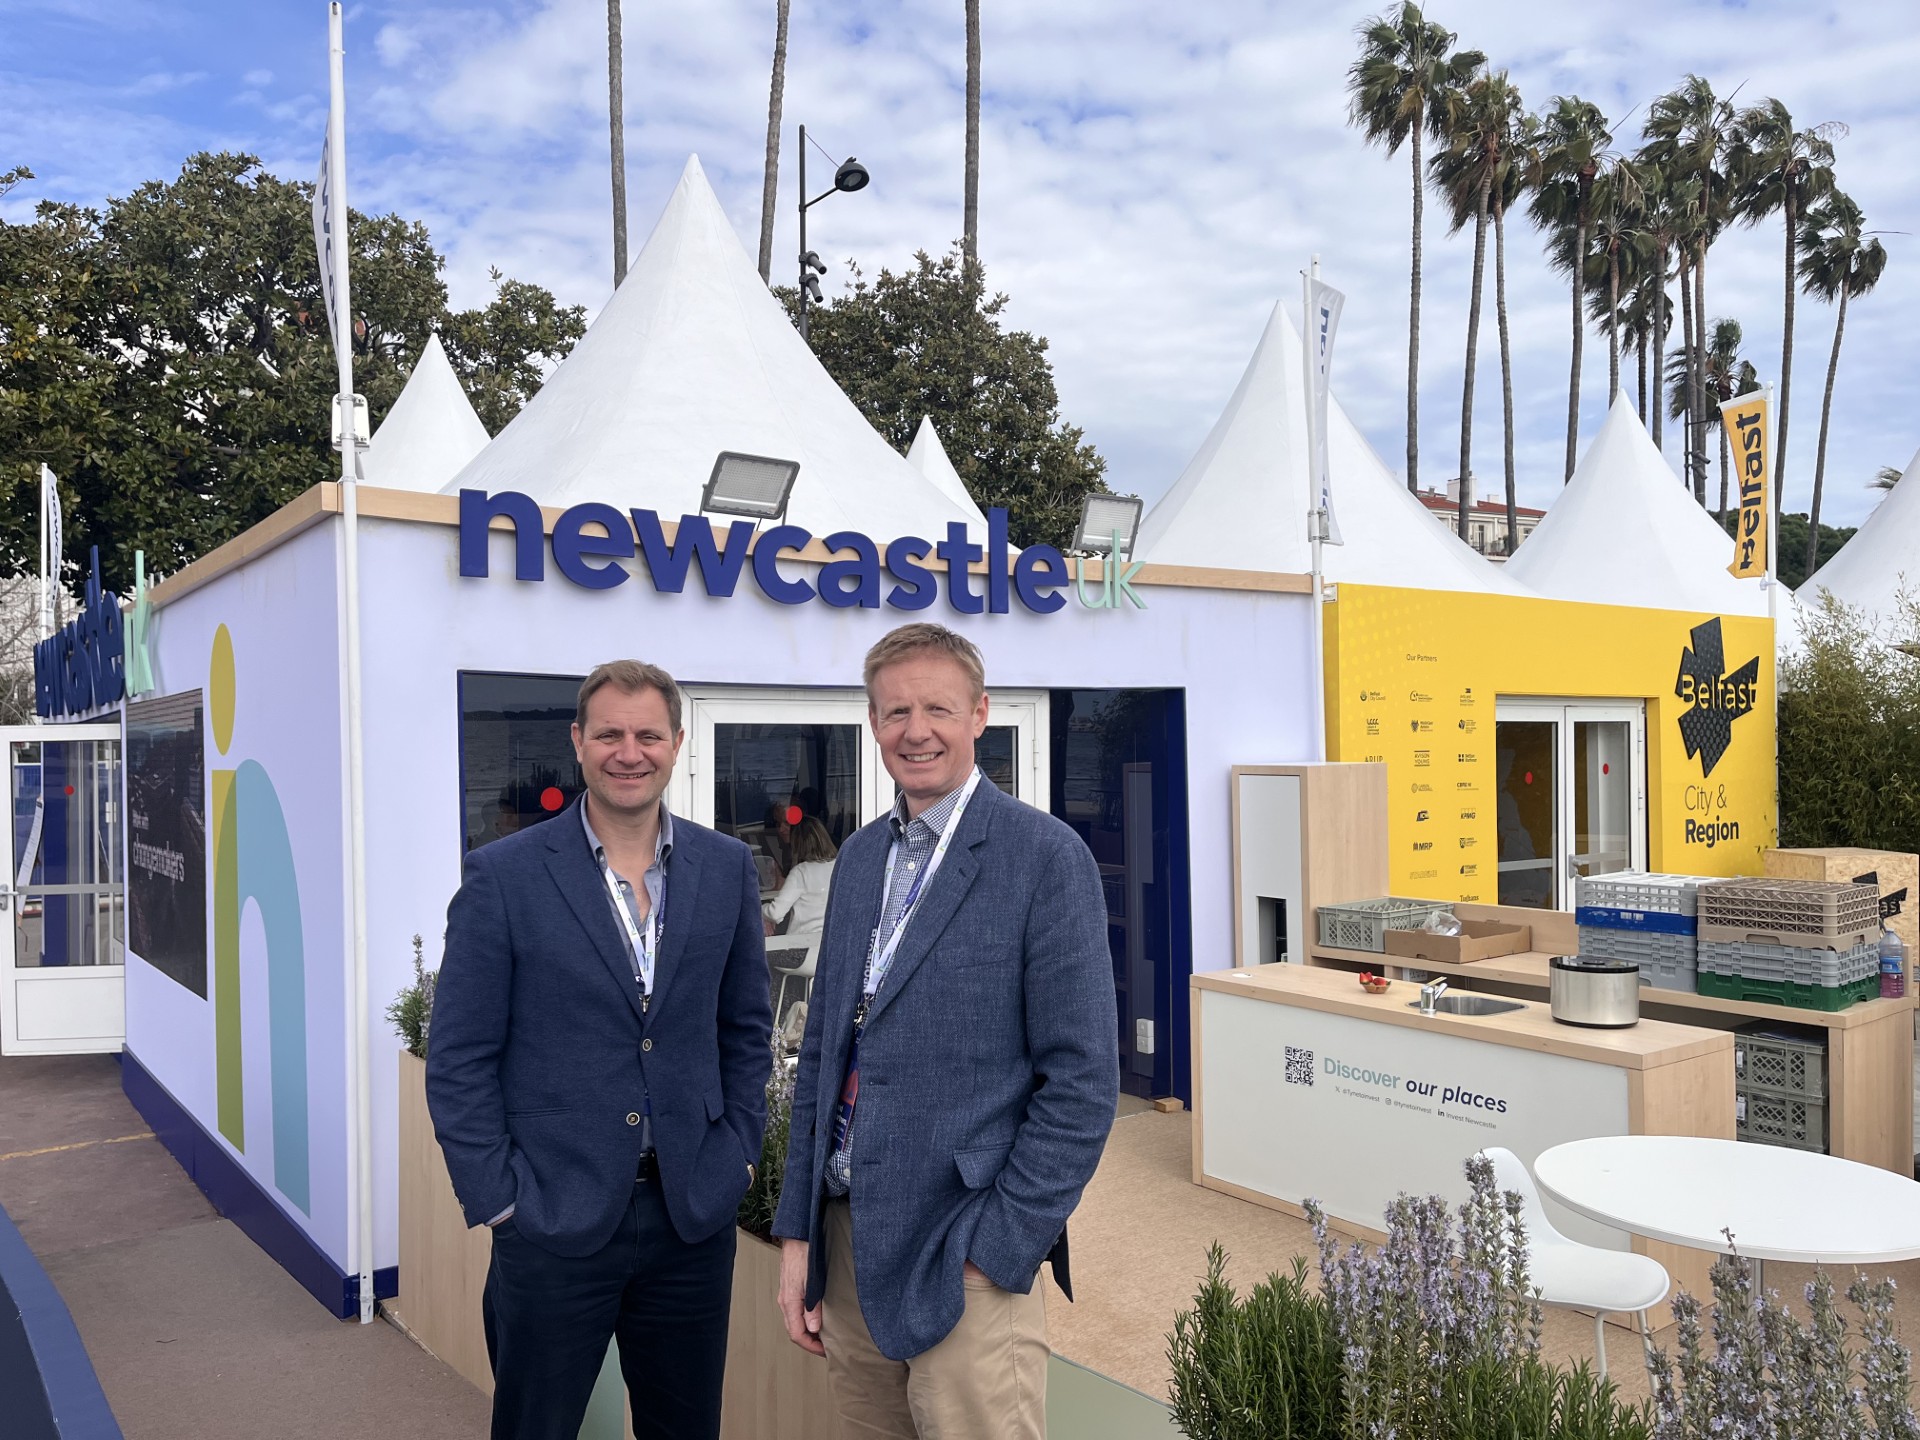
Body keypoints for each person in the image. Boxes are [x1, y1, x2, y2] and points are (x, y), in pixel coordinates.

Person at [772, 623, 1119, 1439]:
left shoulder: (1045, 858)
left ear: (980, 716)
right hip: (849, 1243)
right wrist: (799, 1239)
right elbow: (823, 1057)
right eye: (895, 711)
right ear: (872, 723)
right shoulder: (859, 861)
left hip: (962, 1248)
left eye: (937, 708)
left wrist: (996, 1250)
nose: (915, 730)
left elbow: (1081, 1085)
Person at [427, 660, 773, 1440]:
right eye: (610, 733)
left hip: (691, 1215)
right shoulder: (503, 877)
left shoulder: (725, 870)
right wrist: (502, 1201)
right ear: (577, 742)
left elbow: (745, 1030)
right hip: (550, 1221)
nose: (630, 751)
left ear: (677, 744)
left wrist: (738, 1154)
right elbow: (459, 1059)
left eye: (649, 734)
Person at [762, 814, 839, 938]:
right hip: (832, 940)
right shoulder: (839, 867)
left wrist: (761, 910)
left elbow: (776, 913)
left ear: (797, 843)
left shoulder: (801, 872)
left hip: (801, 944)